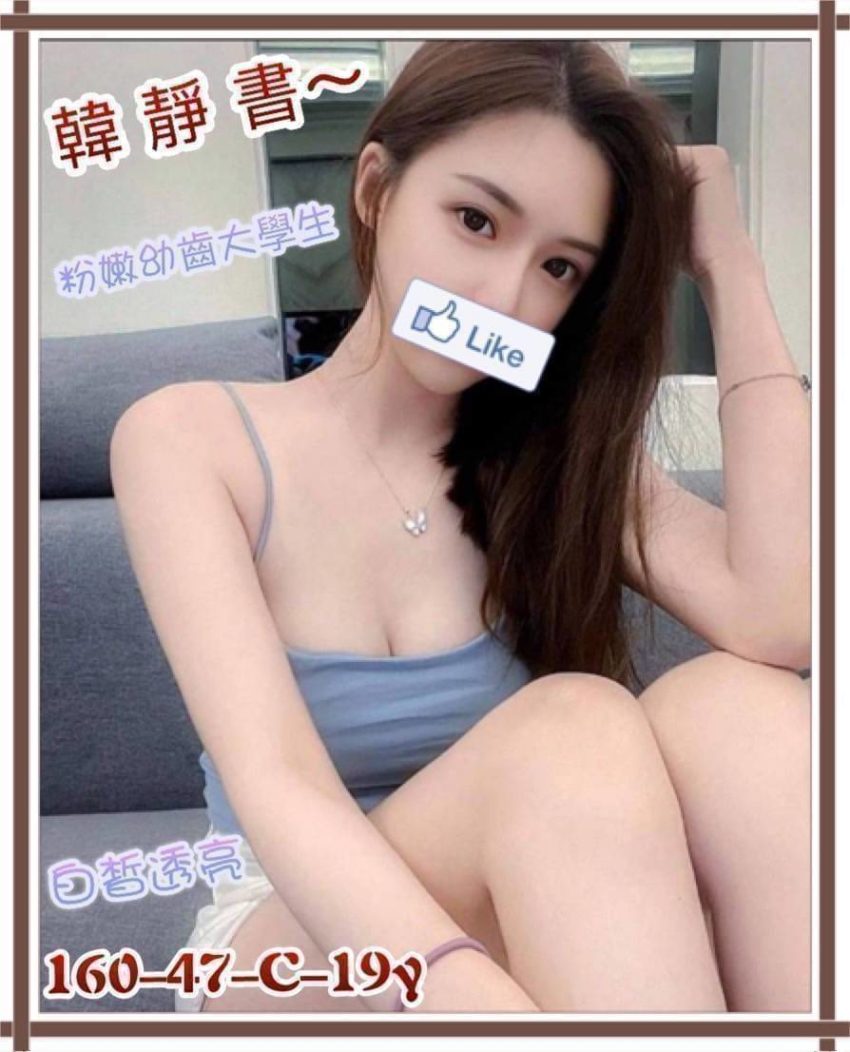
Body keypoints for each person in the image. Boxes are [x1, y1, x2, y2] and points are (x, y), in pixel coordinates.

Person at [110, 39, 811, 1015]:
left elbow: (783, 619)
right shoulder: (190, 439)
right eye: (475, 220)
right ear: (375, 189)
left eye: (558, 266)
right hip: (299, 946)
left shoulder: (554, 459)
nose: (505, 297)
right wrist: (490, 1011)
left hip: (544, 935)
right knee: (572, 726)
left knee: (739, 707)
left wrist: (727, 263)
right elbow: (281, 790)